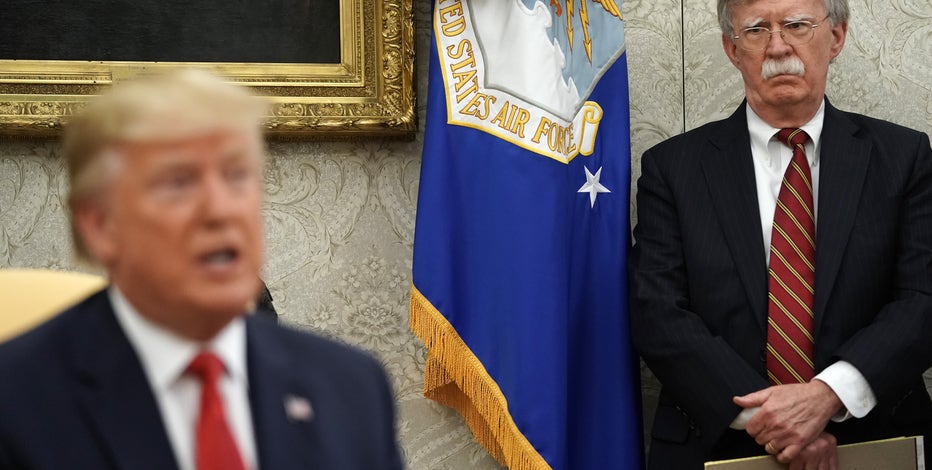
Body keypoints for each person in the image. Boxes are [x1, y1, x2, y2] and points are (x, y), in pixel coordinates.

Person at [0, 69, 403, 470]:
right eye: (179, 183)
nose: (220, 210)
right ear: (101, 225)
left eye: (237, 175)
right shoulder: (17, 402)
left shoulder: (351, 387)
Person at [630, 0, 932, 468]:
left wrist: (827, 396)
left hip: (874, 439)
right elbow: (657, 311)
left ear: (836, 37)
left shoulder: (904, 156)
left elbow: (922, 298)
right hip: (716, 443)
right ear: (732, 49)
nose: (778, 46)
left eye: (796, 25)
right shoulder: (672, 167)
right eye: (756, 30)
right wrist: (774, 422)